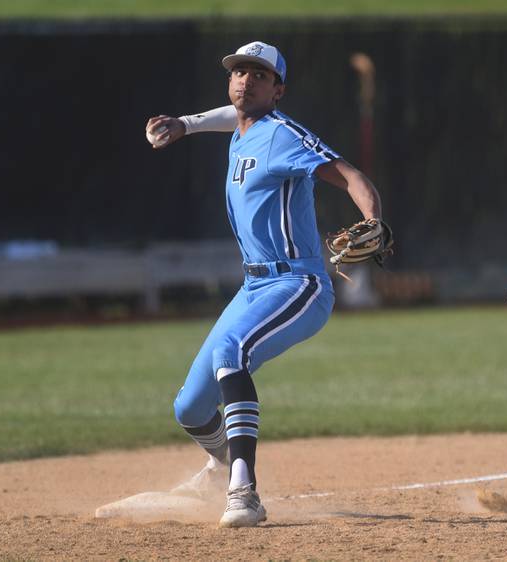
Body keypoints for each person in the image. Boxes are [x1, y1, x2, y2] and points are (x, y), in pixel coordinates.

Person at [145, 41, 384, 527]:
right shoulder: (242, 126)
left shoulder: (283, 134)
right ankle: (218, 466)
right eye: (239, 72)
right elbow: (228, 115)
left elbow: (350, 174)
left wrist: (374, 219)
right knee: (189, 407)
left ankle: (243, 490)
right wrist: (185, 125)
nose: (245, 81)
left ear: (278, 91)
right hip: (252, 287)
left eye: (259, 75)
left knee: (229, 351)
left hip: (299, 284)